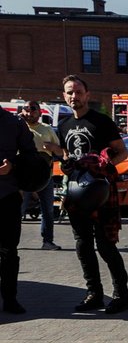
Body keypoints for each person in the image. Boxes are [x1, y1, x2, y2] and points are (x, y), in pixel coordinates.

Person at [59, 75, 128, 313]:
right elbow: (67, 157)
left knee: (106, 246)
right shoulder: (63, 125)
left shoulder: (101, 121)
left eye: (78, 92)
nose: (74, 96)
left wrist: (106, 169)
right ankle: (94, 294)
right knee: (83, 246)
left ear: (87, 95)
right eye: (69, 92)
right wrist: (66, 166)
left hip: (101, 192)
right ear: (64, 96)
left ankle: (121, 296)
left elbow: (122, 152)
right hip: (76, 194)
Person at [0, 108, 36, 314]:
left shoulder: (14, 123)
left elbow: (31, 155)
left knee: (8, 251)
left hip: (7, 196)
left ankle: (10, 298)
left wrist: (12, 165)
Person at [19, 101, 65, 250]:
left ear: (40, 113)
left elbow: (60, 152)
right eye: (26, 109)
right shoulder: (17, 128)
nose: (29, 112)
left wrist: (52, 147)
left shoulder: (47, 129)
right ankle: (9, 242)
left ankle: (48, 241)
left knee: (48, 210)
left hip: (45, 177)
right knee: (17, 209)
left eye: (33, 109)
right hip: (23, 178)